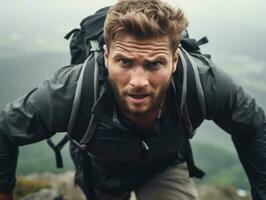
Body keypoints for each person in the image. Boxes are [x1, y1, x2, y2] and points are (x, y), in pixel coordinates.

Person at [0, 0, 266, 200]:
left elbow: (254, 127)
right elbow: (5, 130)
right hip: (100, 172)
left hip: (165, 164)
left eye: (154, 64)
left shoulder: (205, 84)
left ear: (174, 61)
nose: (138, 81)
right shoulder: (70, 91)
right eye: (125, 62)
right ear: (105, 56)